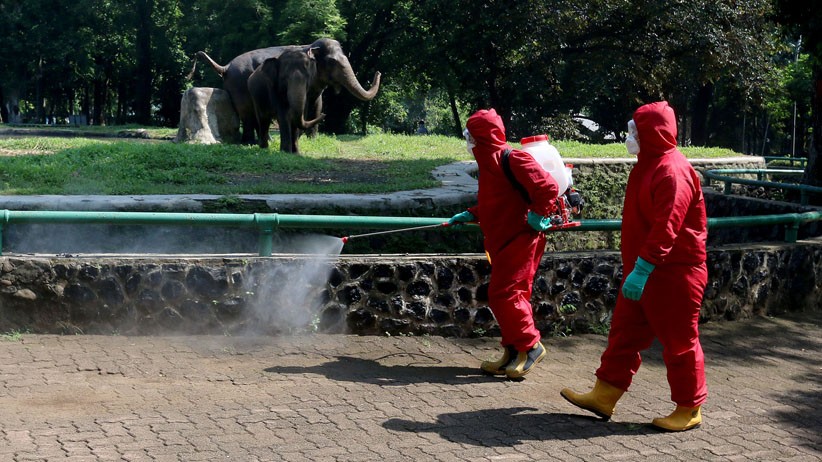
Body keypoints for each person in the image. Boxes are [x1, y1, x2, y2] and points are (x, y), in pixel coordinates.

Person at [560, 101, 708, 432]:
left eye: (634, 131)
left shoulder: (672, 171)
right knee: (625, 333)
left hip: (674, 273)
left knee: (679, 341)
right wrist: (639, 270)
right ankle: (605, 394)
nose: (629, 137)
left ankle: (689, 406)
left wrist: (642, 269)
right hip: (645, 270)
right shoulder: (649, 164)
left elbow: (666, 227)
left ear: (652, 133)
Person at [449, 108, 560, 380]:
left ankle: (530, 346)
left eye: (471, 135)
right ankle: (512, 352)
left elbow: (547, 187)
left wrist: (538, 215)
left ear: (482, 136)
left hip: (521, 239)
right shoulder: (488, 163)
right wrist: (473, 213)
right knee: (504, 296)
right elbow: (498, 199)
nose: (468, 141)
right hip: (501, 239)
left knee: (507, 294)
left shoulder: (514, 158)